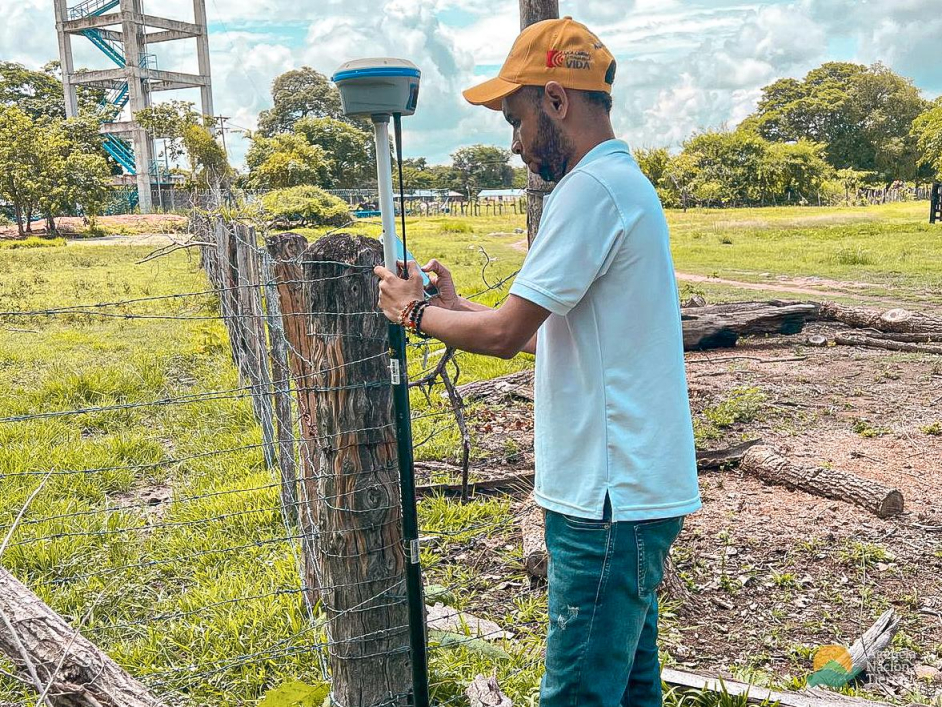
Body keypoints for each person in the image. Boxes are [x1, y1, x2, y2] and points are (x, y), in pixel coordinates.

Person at [375, 16, 701, 707]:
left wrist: (412, 312)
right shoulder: (620, 184)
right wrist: (456, 307)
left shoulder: (588, 191)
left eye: (518, 119)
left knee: (578, 694)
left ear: (557, 99)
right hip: (628, 492)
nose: (517, 142)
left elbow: (504, 336)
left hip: (607, 501)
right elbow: (540, 335)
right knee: (631, 686)